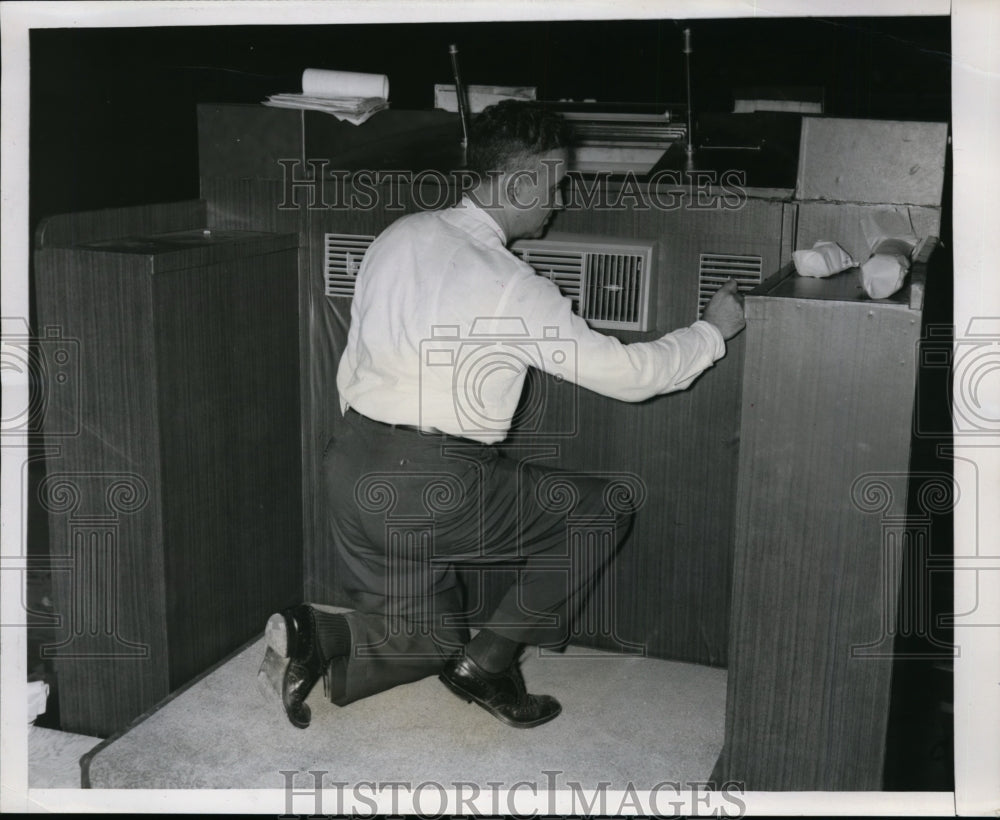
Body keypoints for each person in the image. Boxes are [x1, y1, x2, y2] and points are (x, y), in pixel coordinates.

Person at [259, 100, 745, 730]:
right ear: (520, 179)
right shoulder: (513, 283)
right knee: (602, 507)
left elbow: (350, 365)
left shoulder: (398, 235)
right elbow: (633, 379)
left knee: (432, 639)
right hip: (432, 484)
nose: (560, 198)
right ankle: (489, 663)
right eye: (555, 181)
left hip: (348, 467)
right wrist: (713, 330)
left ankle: (314, 634)